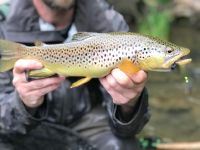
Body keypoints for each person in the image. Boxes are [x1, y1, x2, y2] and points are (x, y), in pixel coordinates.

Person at [0, 0, 150, 149]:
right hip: (29, 131)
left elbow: (128, 130)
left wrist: (130, 105)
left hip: (90, 124)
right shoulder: (3, 23)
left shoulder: (109, 21)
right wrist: (23, 103)